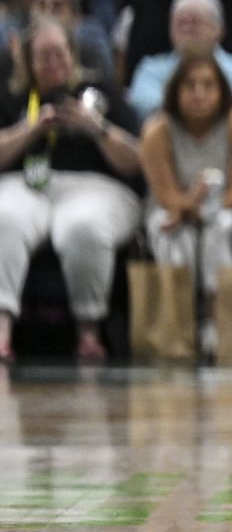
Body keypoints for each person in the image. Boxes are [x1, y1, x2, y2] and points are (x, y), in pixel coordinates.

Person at [0, 20, 144, 362]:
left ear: (72, 54)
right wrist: (29, 130)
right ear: (29, 63)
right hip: (26, 185)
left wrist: (98, 129)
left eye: (59, 54)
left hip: (96, 187)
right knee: (5, 218)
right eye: (43, 56)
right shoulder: (11, 95)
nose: (53, 63)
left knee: (82, 226)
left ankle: (89, 331)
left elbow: (136, 161)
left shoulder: (102, 90)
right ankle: (2, 328)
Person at [138, 54, 232, 354]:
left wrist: (204, 208)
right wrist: (188, 203)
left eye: (208, 85)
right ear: (175, 92)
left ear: (223, 92)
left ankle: (217, 321)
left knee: (220, 229)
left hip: (219, 208)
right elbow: (166, 196)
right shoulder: (157, 130)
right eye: (190, 85)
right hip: (169, 209)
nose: (199, 93)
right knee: (176, 237)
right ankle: (179, 326)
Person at [126, 0, 232, 122]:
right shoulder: (150, 68)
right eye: (181, 23)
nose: (187, 29)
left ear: (219, 29)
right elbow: (142, 107)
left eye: (195, 22)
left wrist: (190, 110)